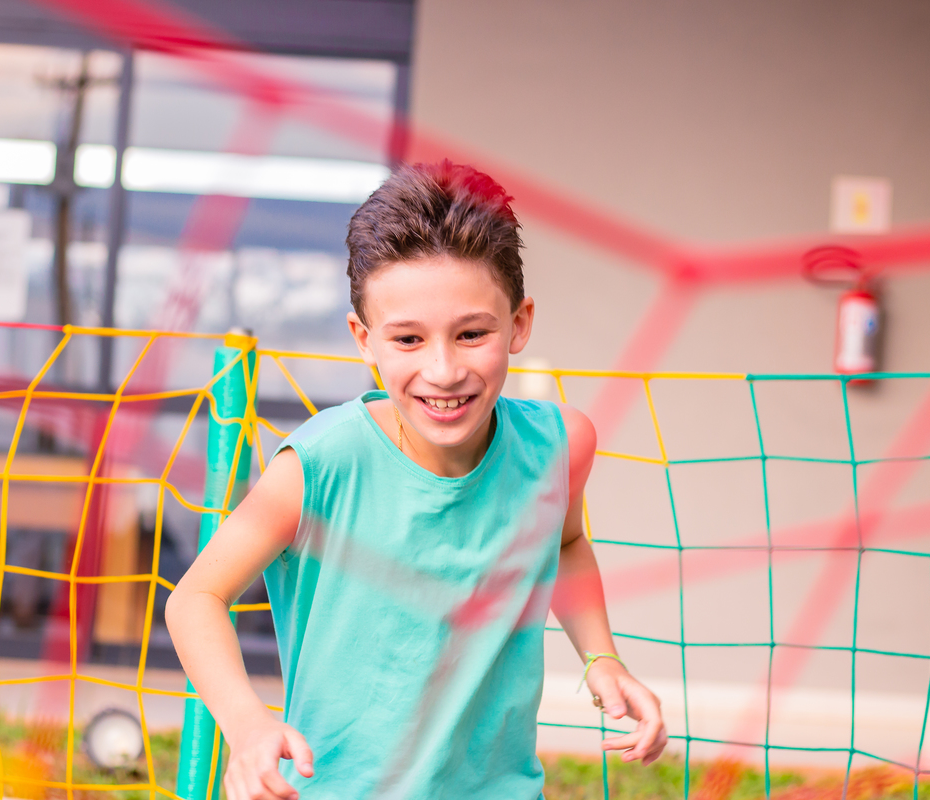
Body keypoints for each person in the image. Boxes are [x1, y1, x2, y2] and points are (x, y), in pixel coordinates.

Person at [165, 160, 668, 800]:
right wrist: (248, 728)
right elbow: (195, 600)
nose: (443, 369)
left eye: (471, 334)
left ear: (519, 324)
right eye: (407, 339)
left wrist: (602, 658)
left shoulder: (560, 447)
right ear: (364, 340)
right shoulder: (319, 467)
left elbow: (565, 546)